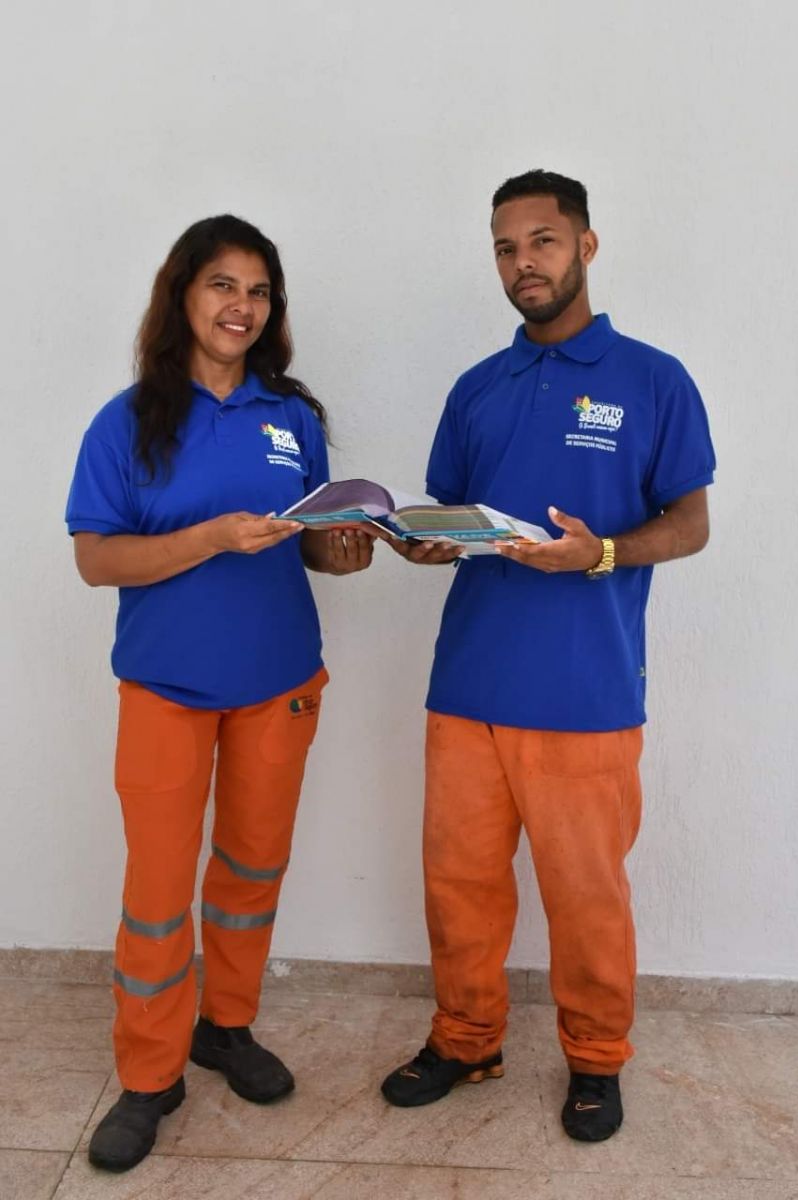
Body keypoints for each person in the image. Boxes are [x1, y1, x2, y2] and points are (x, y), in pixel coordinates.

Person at [380, 170, 715, 1142]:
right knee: (459, 887)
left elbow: (690, 524)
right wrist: (422, 541)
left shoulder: (653, 380)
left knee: (585, 897)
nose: (522, 262)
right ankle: (466, 1038)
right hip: (468, 686)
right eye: (505, 247)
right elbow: (452, 515)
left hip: (585, 691)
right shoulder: (477, 387)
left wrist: (598, 553)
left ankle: (597, 1059)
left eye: (542, 241)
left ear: (585, 246)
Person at [66, 215, 374, 1172]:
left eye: (259, 291)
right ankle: (148, 1074)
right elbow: (95, 559)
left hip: (278, 683)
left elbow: (309, 544)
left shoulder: (293, 418)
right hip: (165, 688)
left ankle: (225, 1027)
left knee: (249, 870)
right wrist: (208, 537)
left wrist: (342, 551)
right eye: (222, 286)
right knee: (158, 891)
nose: (242, 307)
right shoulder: (128, 421)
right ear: (183, 295)